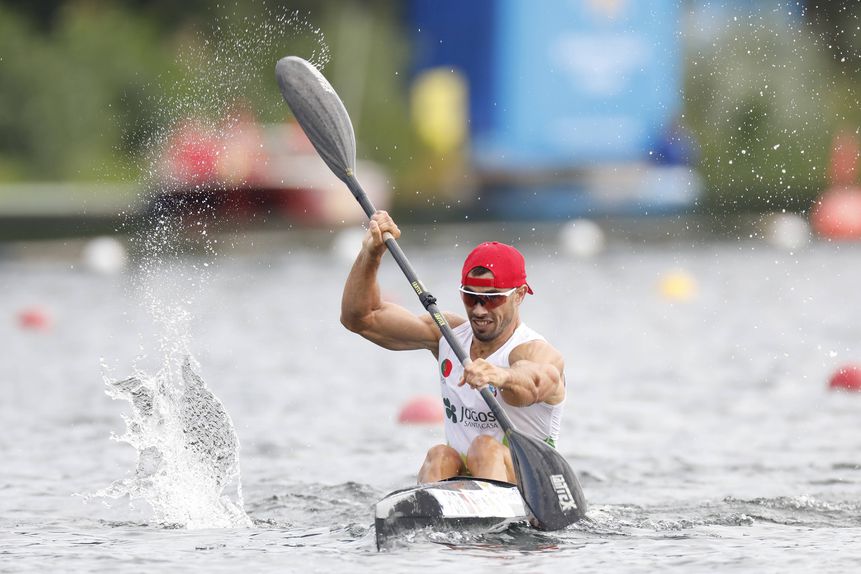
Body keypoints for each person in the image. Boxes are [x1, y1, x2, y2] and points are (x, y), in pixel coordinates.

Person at [340, 211, 566, 484]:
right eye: (470, 297)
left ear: (518, 295)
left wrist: (501, 375)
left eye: (492, 299)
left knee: (485, 448)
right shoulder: (447, 333)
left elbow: (541, 380)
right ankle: (429, 517)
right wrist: (371, 254)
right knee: (440, 455)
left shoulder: (532, 350)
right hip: (471, 483)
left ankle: (487, 511)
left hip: (531, 483)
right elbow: (361, 318)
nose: (479, 310)